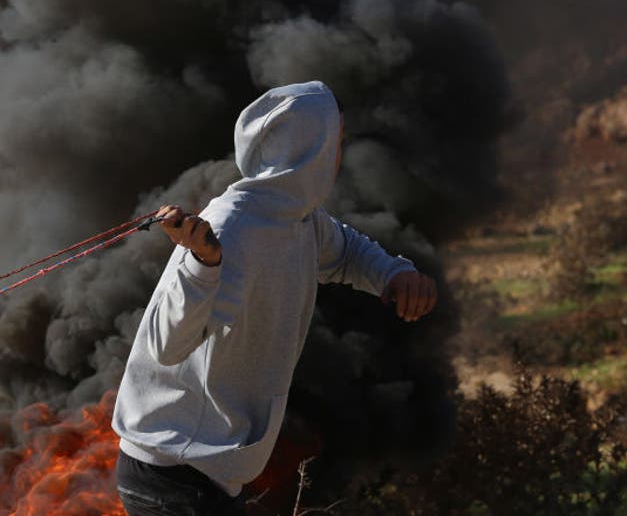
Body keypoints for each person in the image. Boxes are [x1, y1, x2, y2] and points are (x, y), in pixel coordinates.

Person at [112, 81, 438, 515]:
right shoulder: (232, 227)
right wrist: (202, 265)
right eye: (335, 142)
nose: (338, 157)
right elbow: (164, 343)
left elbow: (347, 250)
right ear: (312, 151)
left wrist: (394, 275)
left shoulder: (298, 220)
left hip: (206, 473)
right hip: (172, 471)